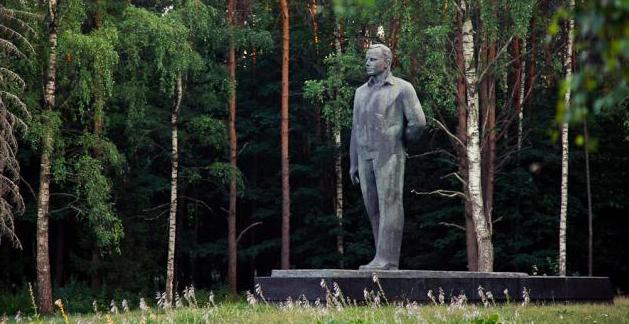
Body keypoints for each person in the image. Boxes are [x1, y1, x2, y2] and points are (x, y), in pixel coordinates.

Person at [349, 43, 426, 270]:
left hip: (389, 154)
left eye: (372, 59)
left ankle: (387, 259)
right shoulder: (360, 92)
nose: (367, 63)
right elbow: (355, 129)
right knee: (372, 207)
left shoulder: (402, 88)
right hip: (364, 156)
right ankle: (379, 257)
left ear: (387, 62)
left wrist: (399, 140)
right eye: (366, 59)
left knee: (389, 204)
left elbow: (418, 122)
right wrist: (353, 162)